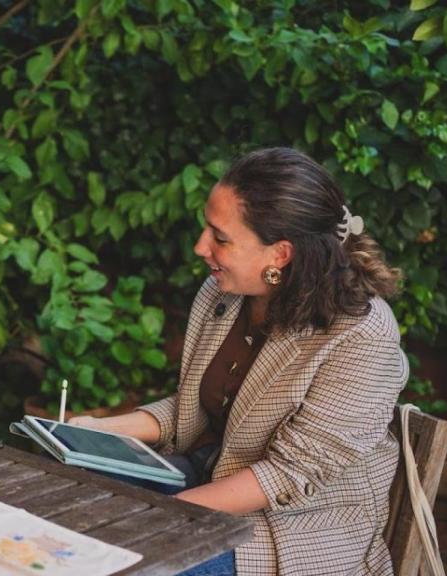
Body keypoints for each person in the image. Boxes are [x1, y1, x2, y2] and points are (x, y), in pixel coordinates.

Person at [70, 148, 407, 575]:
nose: (200, 247)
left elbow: (289, 475)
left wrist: (156, 518)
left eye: (220, 238)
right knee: (65, 493)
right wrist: (96, 431)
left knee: (123, 561)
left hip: (290, 529)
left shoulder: (362, 335)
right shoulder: (224, 294)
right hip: (207, 477)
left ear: (280, 254)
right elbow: (192, 405)